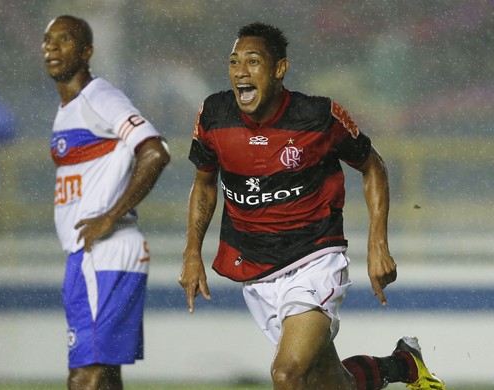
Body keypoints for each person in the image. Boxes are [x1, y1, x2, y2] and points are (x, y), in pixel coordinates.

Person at [179, 22, 445, 390]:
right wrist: (192, 252)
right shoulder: (213, 115)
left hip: (313, 260)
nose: (241, 71)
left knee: (286, 374)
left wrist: (377, 244)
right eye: (234, 61)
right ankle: (402, 365)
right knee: (328, 383)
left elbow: (372, 166)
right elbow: (205, 184)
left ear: (279, 69)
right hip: (256, 268)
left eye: (253, 61)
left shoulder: (317, 116)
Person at [42, 15, 170, 390]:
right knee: (106, 375)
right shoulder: (69, 108)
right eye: (47, 40)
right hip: (90, 253)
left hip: (103, 251)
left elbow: (155, 151)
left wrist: (109, 217)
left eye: (63, 41)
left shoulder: (99, 96)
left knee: (85, 376)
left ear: (87, 52)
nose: (51, 47)